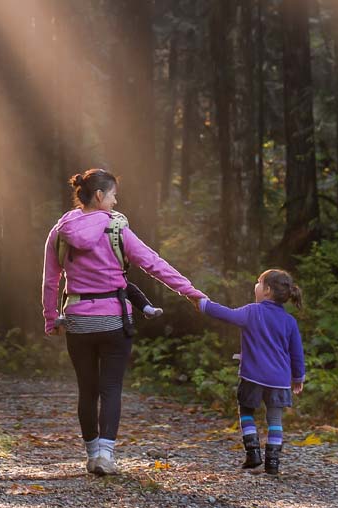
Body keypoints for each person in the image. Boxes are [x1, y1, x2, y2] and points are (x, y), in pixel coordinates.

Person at [43, 168, 205, 475]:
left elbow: (51, 280)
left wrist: (51, 318)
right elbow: (154, 264)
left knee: (87, 389)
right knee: (111, 388)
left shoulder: (60, 230)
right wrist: (190, 292)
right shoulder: (117, 229)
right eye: (114, 195)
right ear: (100, 195)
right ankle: (106, 455)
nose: (116, 202)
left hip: (78, 320)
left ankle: (91, 456)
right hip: (115, 320)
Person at [198, 269, 305, 475]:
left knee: (246, 411)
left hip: (252, 376)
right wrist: (298, 377)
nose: (255, 286)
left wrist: (203, 304)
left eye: (258, 282)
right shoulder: (289, 321)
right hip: (280, 380)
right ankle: (272, 463)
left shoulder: (252, 312)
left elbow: (226, 314)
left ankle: (253, 453)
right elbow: (297, 353)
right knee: (275, 420)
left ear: (266, 290)